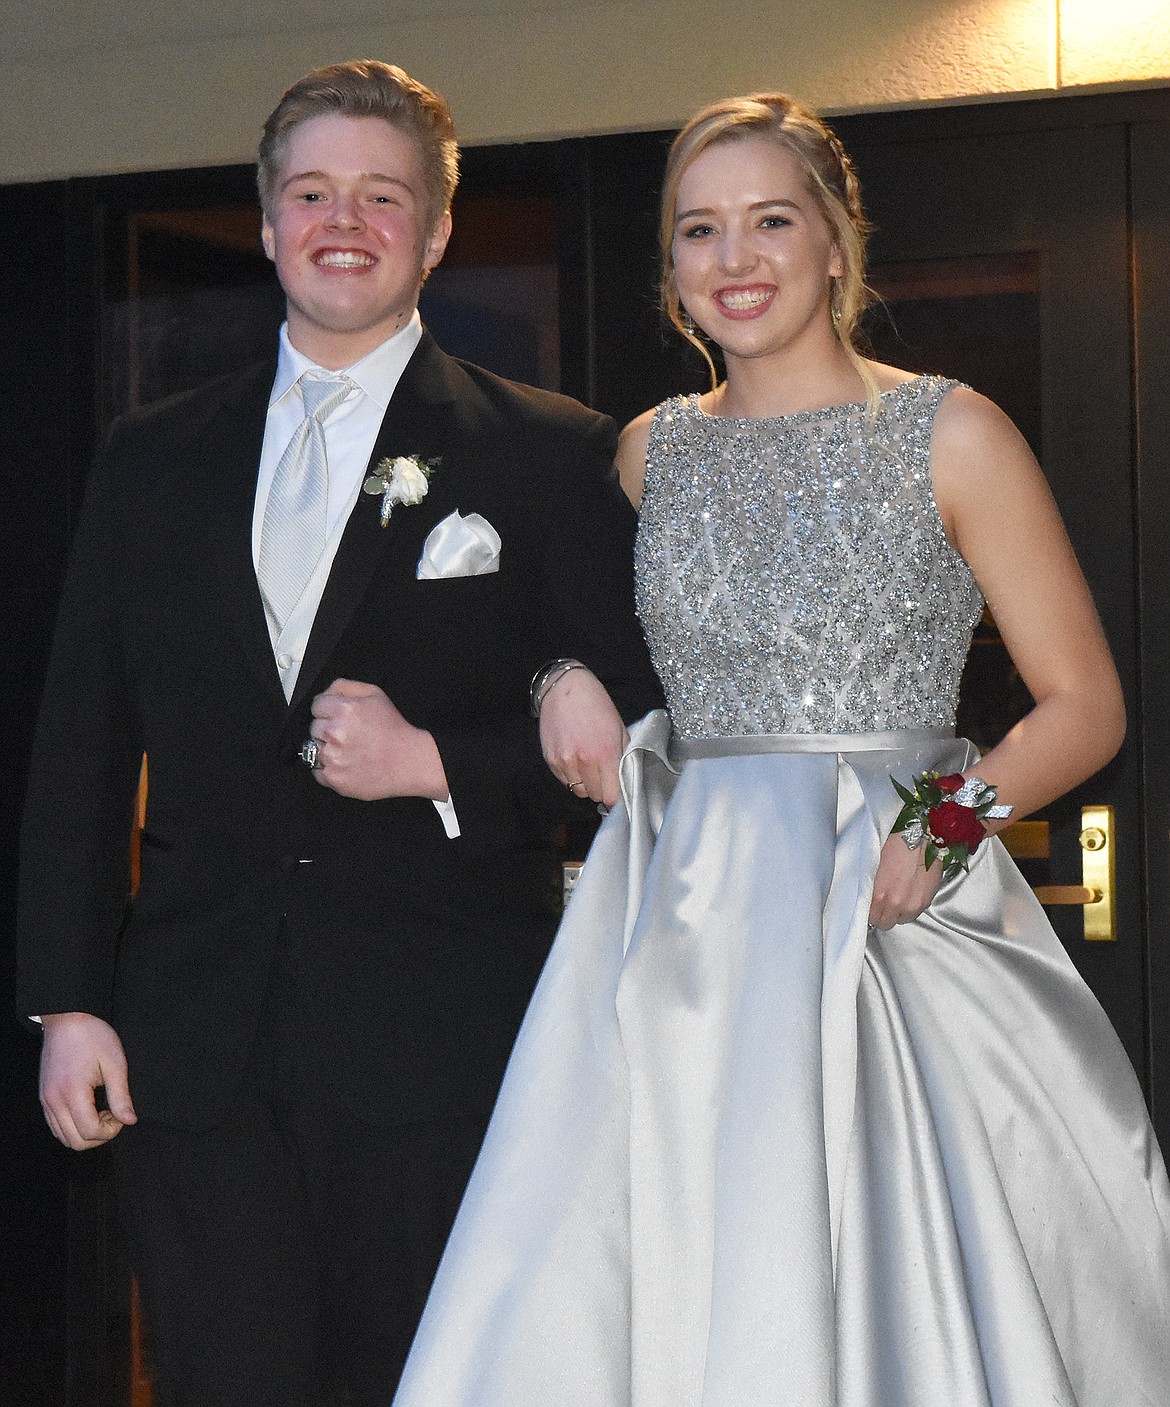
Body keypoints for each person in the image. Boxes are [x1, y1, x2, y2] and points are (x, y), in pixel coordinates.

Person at [391, 94, 1170, 1405]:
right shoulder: (643, 456)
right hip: (679, 923)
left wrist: (943, 828)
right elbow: (555, 651)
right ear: (671, 268)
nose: (734, 259)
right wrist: (558, 679)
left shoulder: (951, 432)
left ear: (832, 245)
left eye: (768, 221)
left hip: (887, 907)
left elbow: (1083, 703)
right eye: (700, 230)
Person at [16, 59, 659, 1407]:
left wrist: (441, 762)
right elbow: (81, 743)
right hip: (197, 1048)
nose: (343, 219)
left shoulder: (545, 453)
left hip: (444, 1045)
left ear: (431, 232)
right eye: (312, 192)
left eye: (383, 195)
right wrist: (69, 1000)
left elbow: (639, 746)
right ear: (266, 224)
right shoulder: (149, 454)